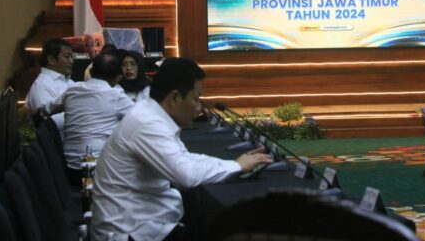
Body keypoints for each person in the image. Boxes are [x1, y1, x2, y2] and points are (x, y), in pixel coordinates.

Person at [91, 57, 272, 241]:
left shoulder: (151, 114)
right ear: (175, 97)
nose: (199, 108)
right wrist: (237, 166)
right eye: (196, 99)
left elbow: (185, 158)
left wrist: (235, 164)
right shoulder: (146, 123)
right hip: (131, 233)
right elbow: (185, 175)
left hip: (144, 225)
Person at [42, 52, 134, 184]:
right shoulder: (116, 95)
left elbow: (45, 109)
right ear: (118, 77)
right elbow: (143, 121)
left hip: (72, 171)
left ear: (90, 71)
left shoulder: (72, 90)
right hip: (100, 174)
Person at [25, 38, 76, 132]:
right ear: (51, 59)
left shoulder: (69, 82)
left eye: (72, 57)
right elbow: (45, 124)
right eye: (67, 57)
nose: (71, 61)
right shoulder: (41, 86)